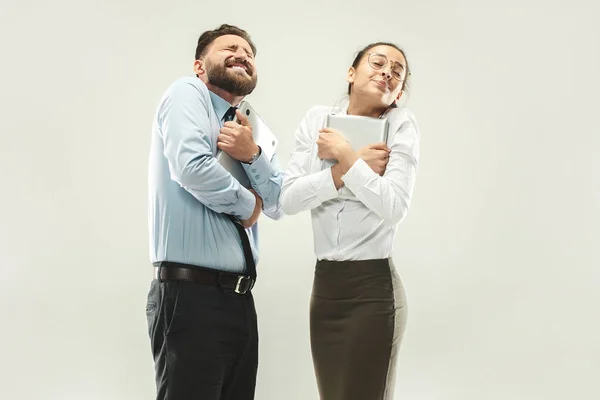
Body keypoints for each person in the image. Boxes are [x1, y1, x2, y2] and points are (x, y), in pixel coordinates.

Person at [145, 24, 283, 400]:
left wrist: (250, 154)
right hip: (190, 295)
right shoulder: (187, 92)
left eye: (249, 53)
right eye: (229, 48)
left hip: (240, 301)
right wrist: (247, 205)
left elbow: (278, 200)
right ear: (200, 66)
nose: (242, 54)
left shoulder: (254, 129)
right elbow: (192, 166)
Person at [280, 42, 420, 400]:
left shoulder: (401, 124)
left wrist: (342, 154)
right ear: (351, 73)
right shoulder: (317, 119)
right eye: (377, 62)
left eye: (397, 71)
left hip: (373, 292)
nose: (387, 71)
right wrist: (350, 170)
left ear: (399, 93)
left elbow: (394, 206)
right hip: (325, 290)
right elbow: (289, 198)